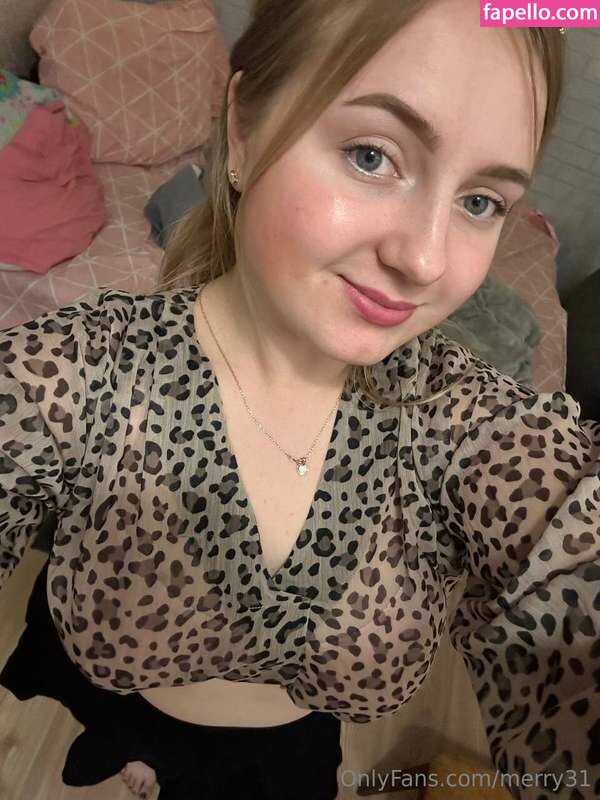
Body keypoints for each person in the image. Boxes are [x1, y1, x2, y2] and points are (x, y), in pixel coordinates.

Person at [0, 0, 598, 798]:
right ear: (243, 131)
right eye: (372, 156)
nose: (426, 261)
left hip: (286, 750)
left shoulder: (466, 426)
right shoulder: (78, 374)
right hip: (122, 698)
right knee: (119, 737)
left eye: (481, 201)